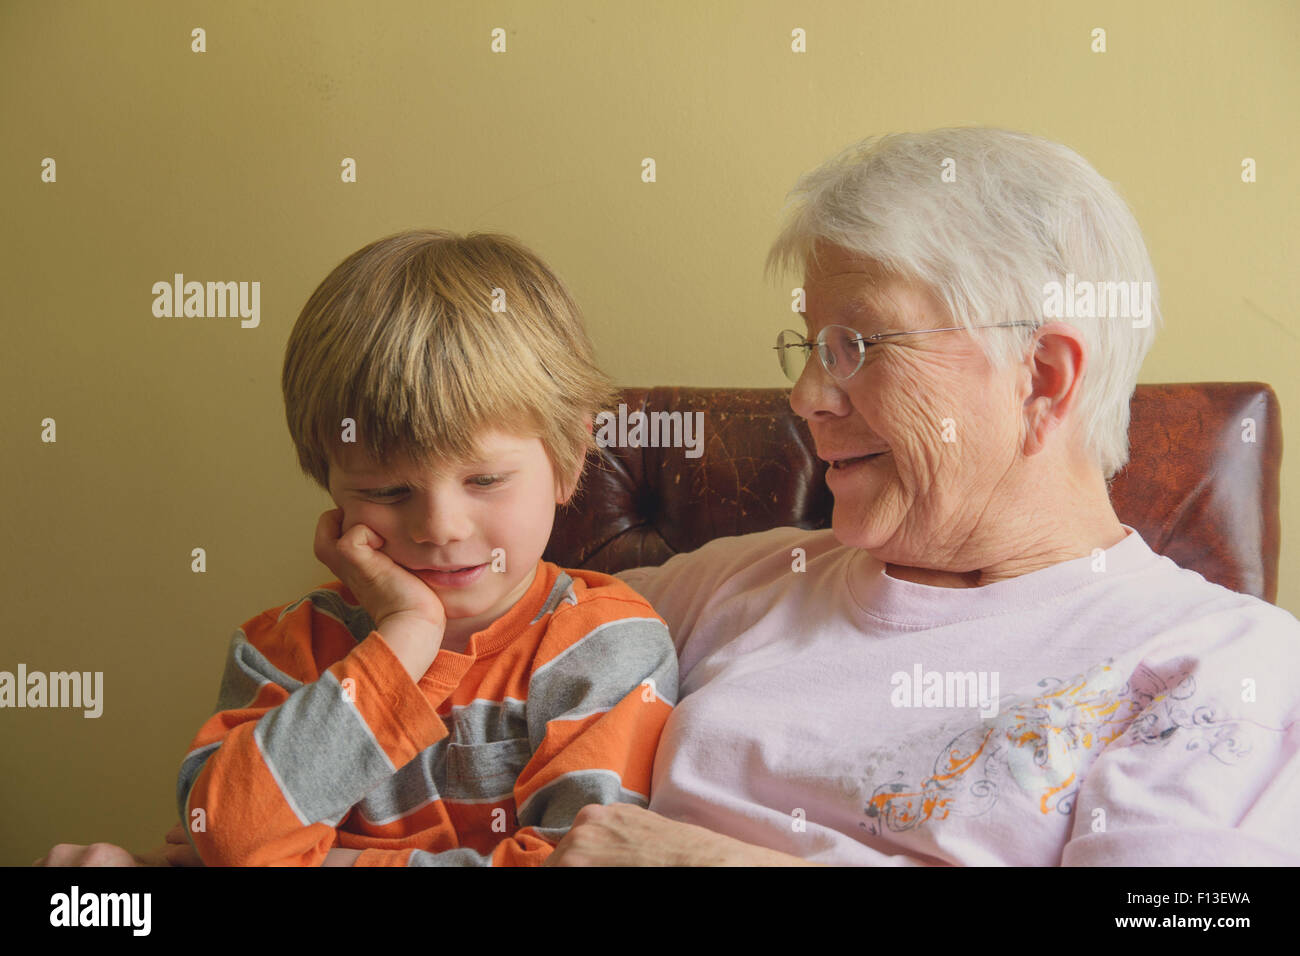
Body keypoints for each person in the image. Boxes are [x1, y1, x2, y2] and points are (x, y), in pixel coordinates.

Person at [543, 128, 1300, 866]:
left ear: (1042, 378)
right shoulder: (733, 585)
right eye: (810, 347)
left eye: (857, 347)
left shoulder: (1220, 662)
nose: (805, 396)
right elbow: (488, 636)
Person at [39, 229, 677, 867]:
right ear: (332, 486)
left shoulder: (605, 644)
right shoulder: (286, 648)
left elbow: (578, 859)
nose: (440, 527)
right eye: (389, 491)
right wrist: (405, 637)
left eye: (484, 480)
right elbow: (230, 836)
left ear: (569, 459)